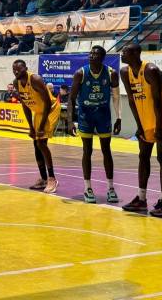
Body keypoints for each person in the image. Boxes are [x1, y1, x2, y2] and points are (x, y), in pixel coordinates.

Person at [119, 44, 162, 217]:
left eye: (126, 51)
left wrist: (158, 128)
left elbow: (158, 102)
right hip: (145, 120)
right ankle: (141, 199)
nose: (122, 53)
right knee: (143, 156)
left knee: (161, 157)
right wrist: (139, 125)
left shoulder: (151, 70)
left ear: (136, 53)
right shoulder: (124, 72)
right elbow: (130, 100)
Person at [67, 46, 122, 204]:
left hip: (103, 113)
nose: (92, 56)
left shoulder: (111, 73)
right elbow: (71, 99)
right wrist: (71, 121)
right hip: (86, 114)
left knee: (107, 150)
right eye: (91, 53)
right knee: (87, 150)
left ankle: (111, 188)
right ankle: (87, 187)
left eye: (96, 54)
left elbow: (116, 97)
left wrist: (119, 118)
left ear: (102, 58)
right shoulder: (80, 73)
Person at [13, 59, 61, 194]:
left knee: (41, 142)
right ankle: (44, 179)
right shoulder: (17, 83)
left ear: (26, 68)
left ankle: (52, 178)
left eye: (19, 69)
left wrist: (40, 127)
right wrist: (31, 127)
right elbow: (25, 105)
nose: (16, 71)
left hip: (50, 109)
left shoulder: (35, 79)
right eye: (14, 69)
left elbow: (47, 102)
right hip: (39, 111)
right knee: (36, 143)